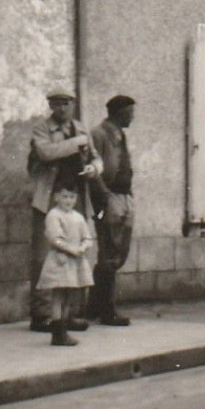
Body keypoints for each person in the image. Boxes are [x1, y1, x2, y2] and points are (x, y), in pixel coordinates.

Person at [27, 89, 99, 332]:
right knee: (44, 256)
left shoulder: (80, 128)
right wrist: (76, 143)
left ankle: (68, 315)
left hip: (75, 197)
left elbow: (97, 159)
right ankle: (42, 315)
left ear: (73, 105)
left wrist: (94, 169)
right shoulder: (42, 129)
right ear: (50, 106)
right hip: (48, 198)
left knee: (76, 253)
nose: (61, 109)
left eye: (65, 104)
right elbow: (46, 152)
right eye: (56, 104)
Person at [87, 94, 136, 327]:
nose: (132, 117)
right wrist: (105, 197)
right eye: (129, 113)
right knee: (109, 251)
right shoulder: (100, 134)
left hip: (124, 196)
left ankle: (93, 306)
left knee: (118, 251)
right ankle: (106, 309)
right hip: (109, 197)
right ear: (118, 113)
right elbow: (93, 170)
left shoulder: (120, 134)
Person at [39, 182, 95, 346]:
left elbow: (87, 237)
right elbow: (55, 238)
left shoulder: (78, 217)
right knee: (58, 295)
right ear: (56, 197)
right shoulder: (53, 215)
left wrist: (83, 247)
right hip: (60, 260)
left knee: (69, 296)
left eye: (72, 197)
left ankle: (64, 328)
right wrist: (72, 249)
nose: (68, 201)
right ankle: (57, 333)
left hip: (75, 260)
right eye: (64, 196)